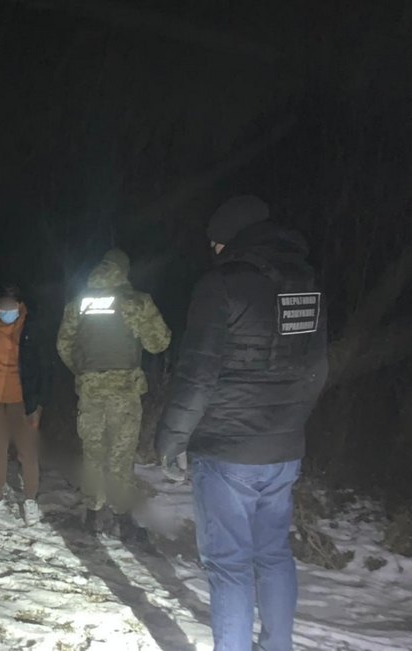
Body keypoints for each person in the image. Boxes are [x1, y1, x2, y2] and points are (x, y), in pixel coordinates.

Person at [155, 195, 328, 651]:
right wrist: (290, 423)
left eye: (214, 243)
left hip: (227, 450)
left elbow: (196, 376)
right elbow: (318, 368)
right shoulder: (305, 284)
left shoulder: (220, 286)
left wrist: (172, 439)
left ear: (226, 240)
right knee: (272, 555)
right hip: (283, 449)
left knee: (229, 564)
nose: (212, 251)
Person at [56, 248, 171, 543]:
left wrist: (85, 373)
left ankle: (92, 516)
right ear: (125, 271)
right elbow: (158, 343)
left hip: (90, 391)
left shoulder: (79, 303)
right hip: (124, 392)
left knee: (92, 453)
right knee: (120, 454)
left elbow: (64, 345)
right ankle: (123, 519)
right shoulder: (136, 302)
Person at [0, 284, 51, 526]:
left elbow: (46, 370)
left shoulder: (32, 332)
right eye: (2, 307)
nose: (7, 311)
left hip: (23, 402)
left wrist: (39, 404)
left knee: (28, 452)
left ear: (20, 307)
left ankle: (30, 501)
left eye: (11, 307)